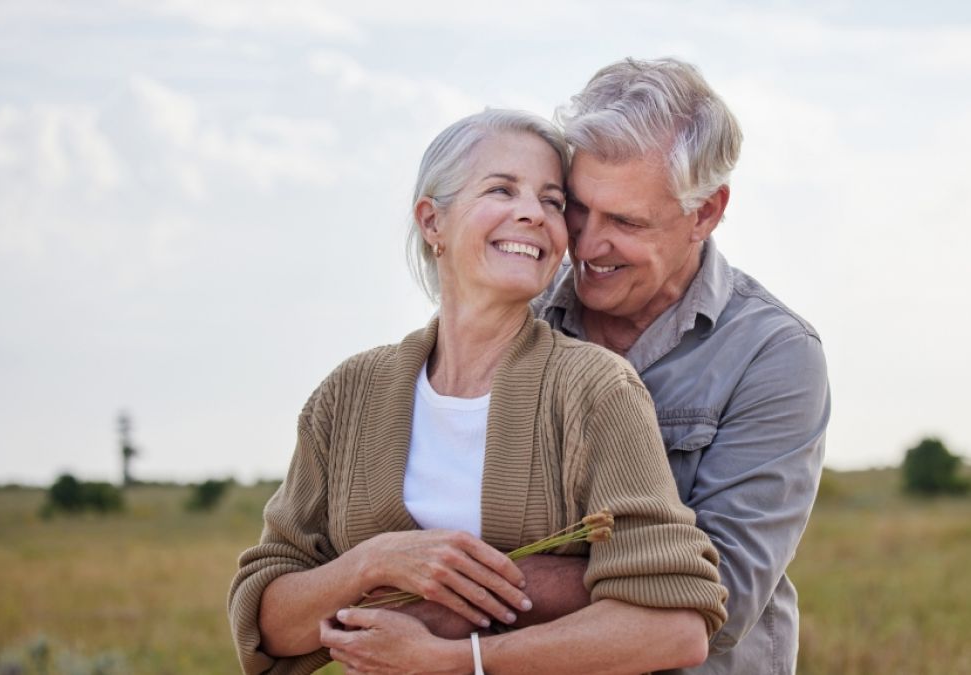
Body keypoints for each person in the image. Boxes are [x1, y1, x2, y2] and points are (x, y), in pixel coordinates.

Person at [227, 109, 728, 675]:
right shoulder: (347, 397)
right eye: (501, 189)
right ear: (432, 222)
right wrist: (375, 561)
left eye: (552, 201)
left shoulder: (595, 390)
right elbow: (267, 625)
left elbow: (675, 628)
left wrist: (456, 658)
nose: (532, 214)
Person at [525, 57, 831, 674]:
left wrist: (498, 584)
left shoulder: (774, 353)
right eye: (579, 207)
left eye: (626, 222)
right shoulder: (521, 317)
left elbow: (717, 597)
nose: (584, 246)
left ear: (706, 212)